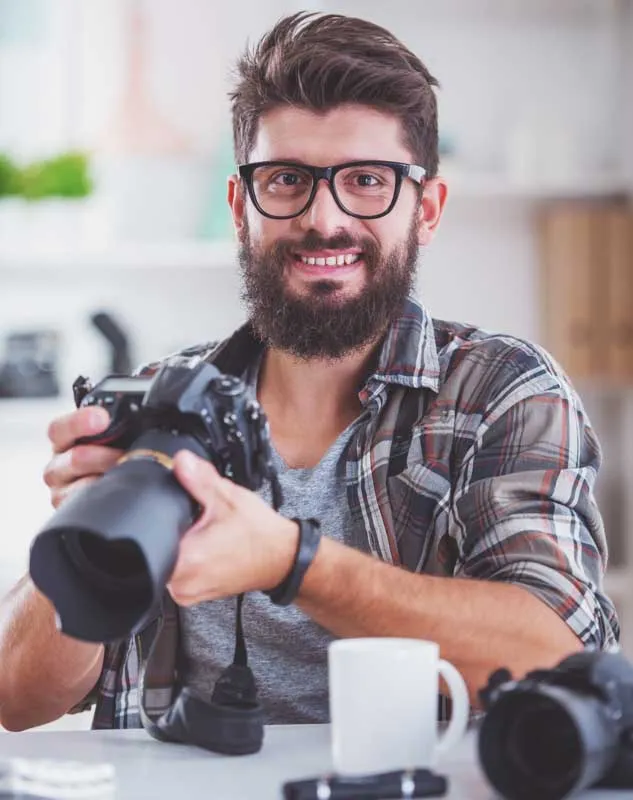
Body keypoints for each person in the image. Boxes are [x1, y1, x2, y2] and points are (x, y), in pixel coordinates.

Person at [0, 11, 619, 733]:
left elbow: (560, 655)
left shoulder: (500, 391)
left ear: (426, 210)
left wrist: (293, 562)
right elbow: (16, 698)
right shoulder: (164, 398)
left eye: (365, 180)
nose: (323, 217)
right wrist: (84, 546)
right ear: (239, 207)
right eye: (287, 179)